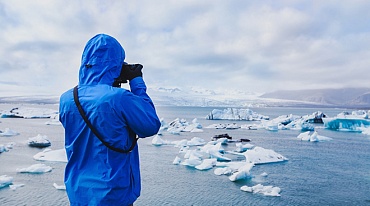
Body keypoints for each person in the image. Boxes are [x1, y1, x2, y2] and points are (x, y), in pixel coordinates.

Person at [59, 34, 161, 206]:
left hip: (78, 193)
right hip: (112, 194)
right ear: (115, 64)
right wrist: (136, 82)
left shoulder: (67, 98)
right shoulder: (118, 98)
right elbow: (150, 125)